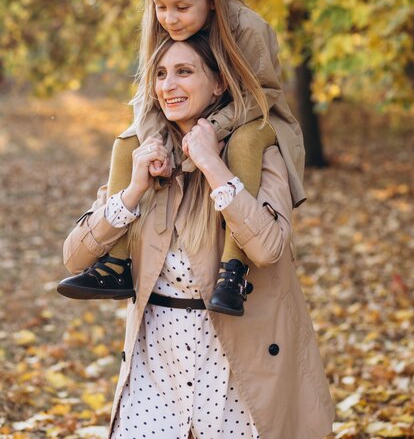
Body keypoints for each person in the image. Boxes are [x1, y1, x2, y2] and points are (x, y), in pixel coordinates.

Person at [61, 33, 335, 439]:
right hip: (155, 362)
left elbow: (268, 248)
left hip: (236, 363)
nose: (168, 85)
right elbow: (73, 258)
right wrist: (133, 191)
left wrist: (212, 165)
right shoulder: (143, 152)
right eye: (160, 74)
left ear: (219, 82)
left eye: (184, 72)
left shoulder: (257, 152)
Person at [57, 0, 306, 316]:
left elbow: (263, 94)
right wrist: (156, 143)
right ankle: (116, 263)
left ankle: (233, 268)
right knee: (129, 143)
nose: (170, 18)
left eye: (181, 7)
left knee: (241, 145)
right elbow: (151, 97)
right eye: (160, 7)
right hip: (195, 119)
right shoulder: (163, 30)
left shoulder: (248, 29)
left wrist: (208, 132)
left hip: (253, 117)